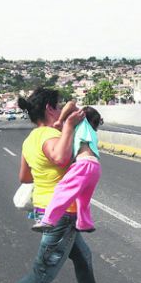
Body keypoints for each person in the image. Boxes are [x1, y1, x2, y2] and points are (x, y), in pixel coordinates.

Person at [0, 87, 126, 283]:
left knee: (83, 256)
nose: (60, 110)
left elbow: (25, 177)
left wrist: (47, 174)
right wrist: (68, 126)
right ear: (49, 108)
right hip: (61, 214)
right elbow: (59, 157)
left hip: (45, 208)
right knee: (43, 271)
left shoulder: (31, 139)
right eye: (57, 106)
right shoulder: (52, 134)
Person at [31, 100, 103, 233]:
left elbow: (70, 104)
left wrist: (60, 120)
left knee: (62, 190)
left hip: (83, 164)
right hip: (95, 167)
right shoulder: (92, 132)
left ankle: (48, 220)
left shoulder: (82, 121)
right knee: (83, 199)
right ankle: (85, 224)